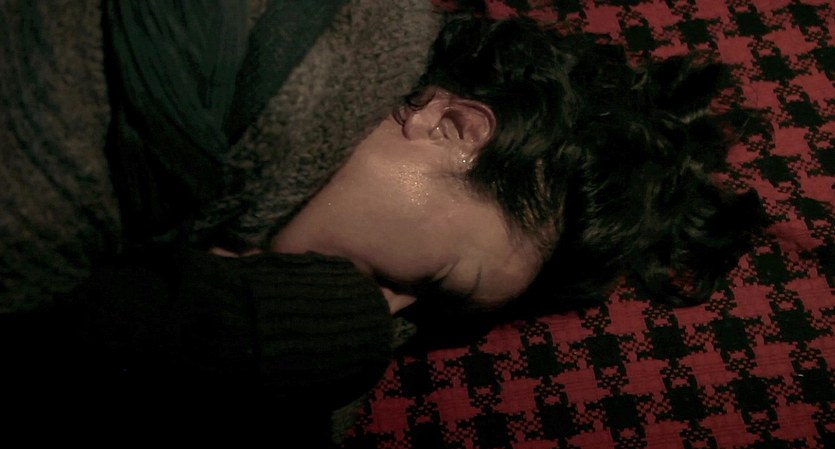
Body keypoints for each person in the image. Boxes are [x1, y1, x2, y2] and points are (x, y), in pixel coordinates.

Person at [2, 0, 762, 443]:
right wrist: (241, 328)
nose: (384, 311)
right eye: (434, 278)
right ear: (451, 125)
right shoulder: (196, 68)